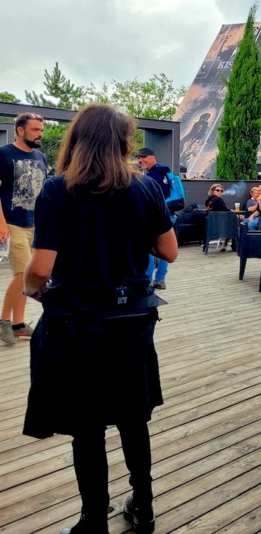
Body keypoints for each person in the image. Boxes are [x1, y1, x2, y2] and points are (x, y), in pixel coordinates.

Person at [22, 104, 178, 534]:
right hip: (131, 321)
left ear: (77, 140)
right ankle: (143, 507)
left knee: (87, 427)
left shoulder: (57, 190)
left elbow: (40, 269)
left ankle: (93, 519)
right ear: (122, 142)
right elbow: (169, 251)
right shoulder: (145, 188)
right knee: (133, 418)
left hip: (76, 325)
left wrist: (29, 291)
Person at [0, 112, 48, 345]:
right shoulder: (4, 154)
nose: (40, 134)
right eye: (35, 130)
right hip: (11, 223)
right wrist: (1, 224)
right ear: (21, 130)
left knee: (28, 277)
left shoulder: (41, 156)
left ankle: (19, 324)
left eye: (41, 130)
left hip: (35, 224)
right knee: (21, 275)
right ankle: (3, 323)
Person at [136, 148, 173, 290]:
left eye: (143, 157)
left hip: (154, 216)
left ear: (153, 157)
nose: (140, 160)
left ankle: (148, 279)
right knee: (164, 247)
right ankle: (161, 279)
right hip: (169, 214)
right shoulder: (166, 173)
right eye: (139, 158)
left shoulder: (151, 176)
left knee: (148, 247)